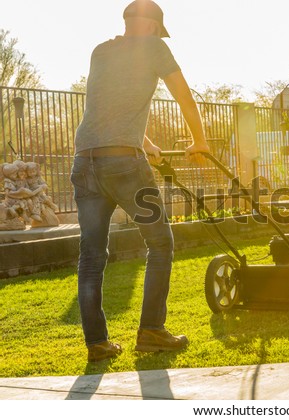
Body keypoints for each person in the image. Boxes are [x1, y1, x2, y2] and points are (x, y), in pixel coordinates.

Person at [71, 0, 210, 363]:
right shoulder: (155, 47)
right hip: (125, 167)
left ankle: (97, 344)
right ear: (150, 27)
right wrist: (200, 141)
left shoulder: (100, 51)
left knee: (91, 256)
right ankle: (151, 330)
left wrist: (146, 144)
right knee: (160, 242)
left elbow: (105, 109)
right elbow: (183, 95)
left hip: (85, 162)